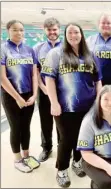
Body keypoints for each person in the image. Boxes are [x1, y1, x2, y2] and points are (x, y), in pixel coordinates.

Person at [41, 23, 102, 187]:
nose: (73, 35)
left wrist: (98, 102)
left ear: (81, 34)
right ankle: (61, 170)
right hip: (64, 107)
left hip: (88, 107)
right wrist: (54, 103)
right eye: (70, 32)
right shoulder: (56, 53)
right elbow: (49, 79)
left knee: (82, 138)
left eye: (76, 32)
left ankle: (77, 162)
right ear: (65, 35)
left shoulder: (90, 55)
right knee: (66, 139)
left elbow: (98, 80)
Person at [1, 20, 40, 173]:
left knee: (26, 127)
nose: (19, 33)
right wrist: (17, 97)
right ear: (8, 31)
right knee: (16, 128)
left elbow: (34, 75)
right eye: (15, 30)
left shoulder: (30, 50)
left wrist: (35, 94)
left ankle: (26, 156)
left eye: (21, 30)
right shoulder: (3, 49)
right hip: (11, 96)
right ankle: (17, 159)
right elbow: (2, 78)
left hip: (28, 94)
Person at [33, 17, 62, 162]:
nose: (52, 32)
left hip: (62, 92)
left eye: (54, 29)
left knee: (61, 121)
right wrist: (42, 87)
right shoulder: (38, 48)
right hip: (44, 91)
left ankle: (62, 146)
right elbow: (36, 71)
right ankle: (46, 148)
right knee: (45, 121)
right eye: (49, 30)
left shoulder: (66, 47)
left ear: (59, 30)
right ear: (45, 30)